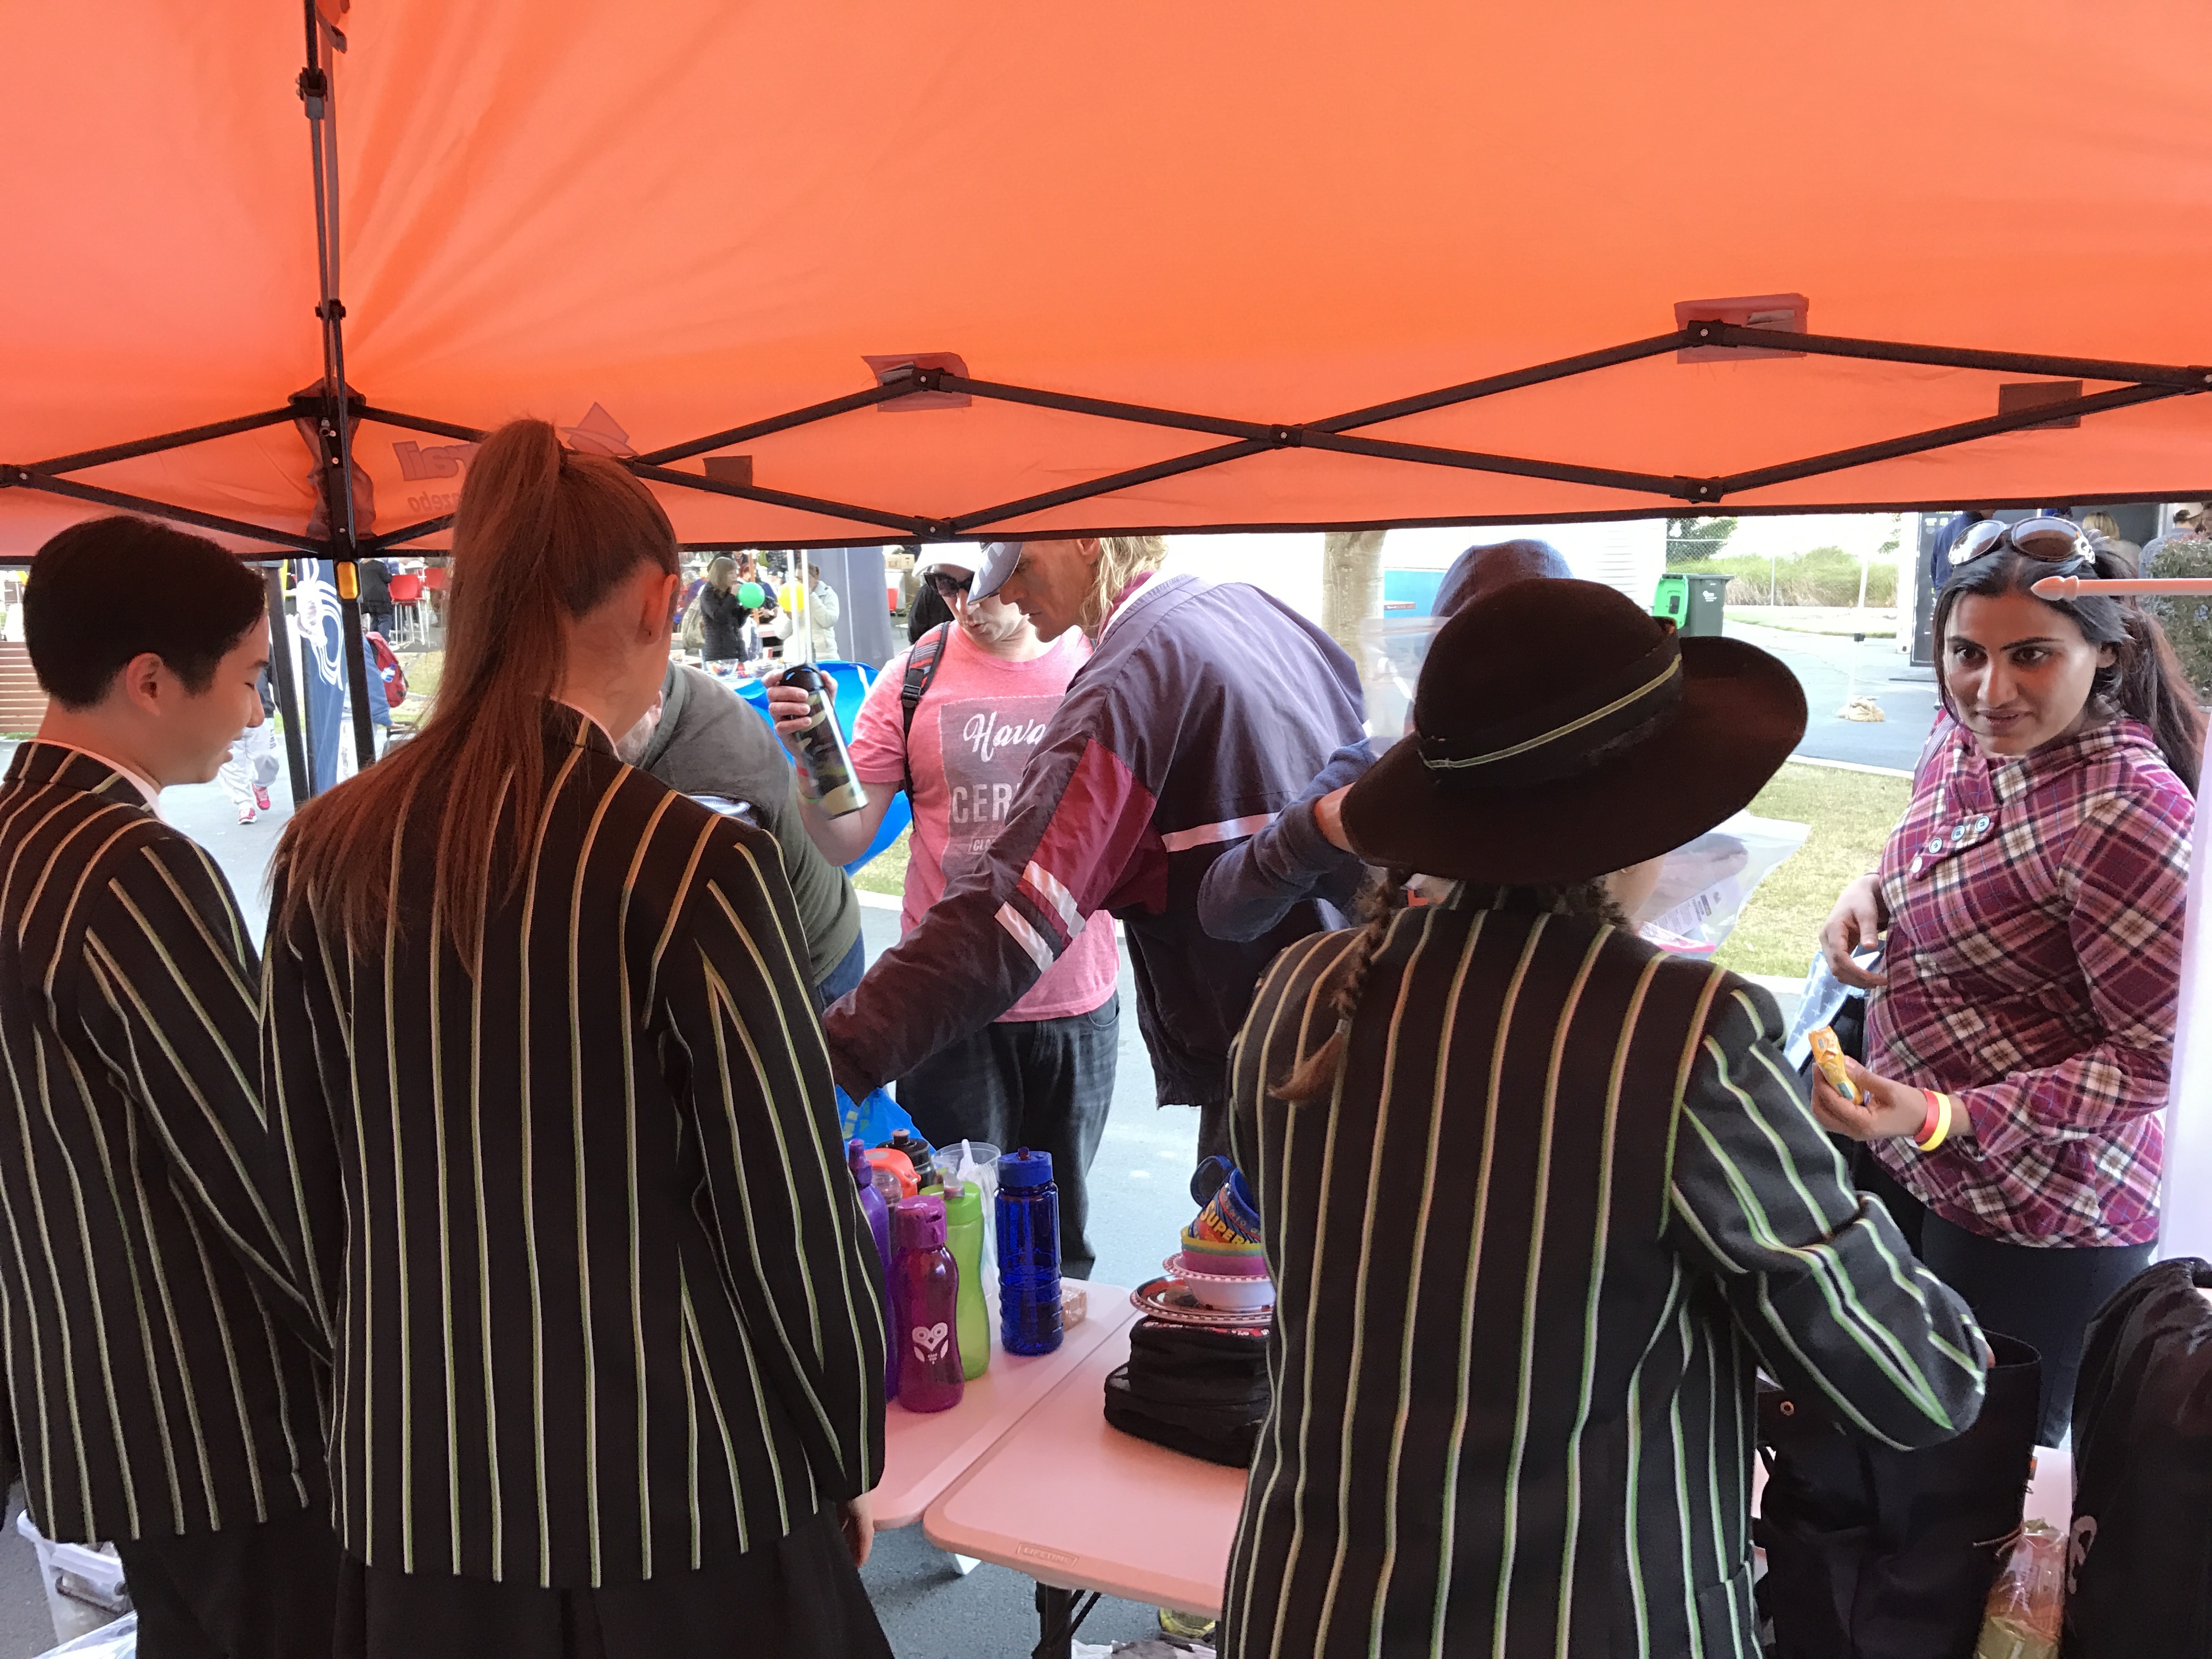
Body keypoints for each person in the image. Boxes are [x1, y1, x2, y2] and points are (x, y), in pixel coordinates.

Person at [1221, 578, 1988, 1659]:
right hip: (1585, 1621)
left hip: (1307, 1609)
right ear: (1654, 809)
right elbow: (1919, 1381)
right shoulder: (1682, 1032)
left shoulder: (1301, 991)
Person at [261, 421, 890, 1658]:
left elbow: (304, 1189)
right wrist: (839, 1445)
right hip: (675, 1495)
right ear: (664, 599)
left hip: (420, 1497)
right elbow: (787, 1208)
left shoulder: (324, 852)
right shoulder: (691, 862)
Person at [2, 516, 338, 1658]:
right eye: (247, 678)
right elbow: (252, 1155)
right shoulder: (130, 864)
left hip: (91, 1389)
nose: (255, 713)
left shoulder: (18, 834)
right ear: (151, 681)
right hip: (220, 1416)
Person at [1815, 514, 2199, 1446]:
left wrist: (1942, 1114)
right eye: (1966, 654)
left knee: (1984, 1467)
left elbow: (2152, 1062)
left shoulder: (2129, 814)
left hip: (2040, 1212)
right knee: (1900, 1429)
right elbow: (1925, 843)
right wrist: (1868, 891)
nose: (1990, 691)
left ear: (2106, 656)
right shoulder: (1962, 738)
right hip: (1909, 1161)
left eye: (2031, 655)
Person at [806, 537, 1367, 1164]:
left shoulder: (1128, 675)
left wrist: (840, 1053)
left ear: (1086, 538)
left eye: (1021, 567)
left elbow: (1014, 911)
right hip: (1349, 1005)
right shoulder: (1248, 606)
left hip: (1276, 1047)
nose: (1006, 592)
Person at [773, 549, 1121, 1278]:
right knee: (946, 1237)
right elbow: (843, 841)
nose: (965, 602)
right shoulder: (913, 677)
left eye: (979, 582)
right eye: (945, 585)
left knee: (1063, 1241)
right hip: (947, 1008)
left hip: (1073, 996)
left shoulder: (1096, 659)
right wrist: (811, 760)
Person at [1199, 537, 1573, 943]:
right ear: (1438, 670)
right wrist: (1317, 829)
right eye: (1485, 668)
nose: (1510, 697)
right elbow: (1224, 913)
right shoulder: (1373, 773)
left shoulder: (1605, 779)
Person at [618, 658, 868, 1002]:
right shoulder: (657, 676)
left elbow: (693, 943)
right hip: (801, 919)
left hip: (807, 965)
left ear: (653, 704)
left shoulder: (707, 796)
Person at [222, 665, 281, 822]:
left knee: (267, 757)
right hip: (226, 713)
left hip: (261, 711)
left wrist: (285, 709)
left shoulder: (261, 650)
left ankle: (261, 784)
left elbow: (278, 677)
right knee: (232, 761)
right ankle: (245, 805)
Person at [695, 553, 761, 664]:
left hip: (737, 650)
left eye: (736, 573)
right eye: (731, 573)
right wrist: (732, 597)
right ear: (720, 575)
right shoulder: (708, 593)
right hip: (719, 653)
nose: (735, 577)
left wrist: (745, 609)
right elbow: (718, 617)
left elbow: (737, 623)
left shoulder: (728, 592)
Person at [805, 558, 843, 659]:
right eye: (798, 579)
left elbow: (829, 621)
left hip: (825, 654)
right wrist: (789, 618)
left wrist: (811, 596)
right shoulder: (792, 595)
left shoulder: (828, 594)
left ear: (815, 578)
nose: (802, 582)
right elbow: (781, 633)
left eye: (806, 578)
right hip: (800, 654)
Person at [359, 555, 396, 640]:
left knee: (374, 619)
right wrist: (390, 575)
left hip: (367, 597)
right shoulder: (379, 564)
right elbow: (387, 579)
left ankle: (373, 642)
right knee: (385, 618)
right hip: (380, 597)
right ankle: (383, 641)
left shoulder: (360, 566)